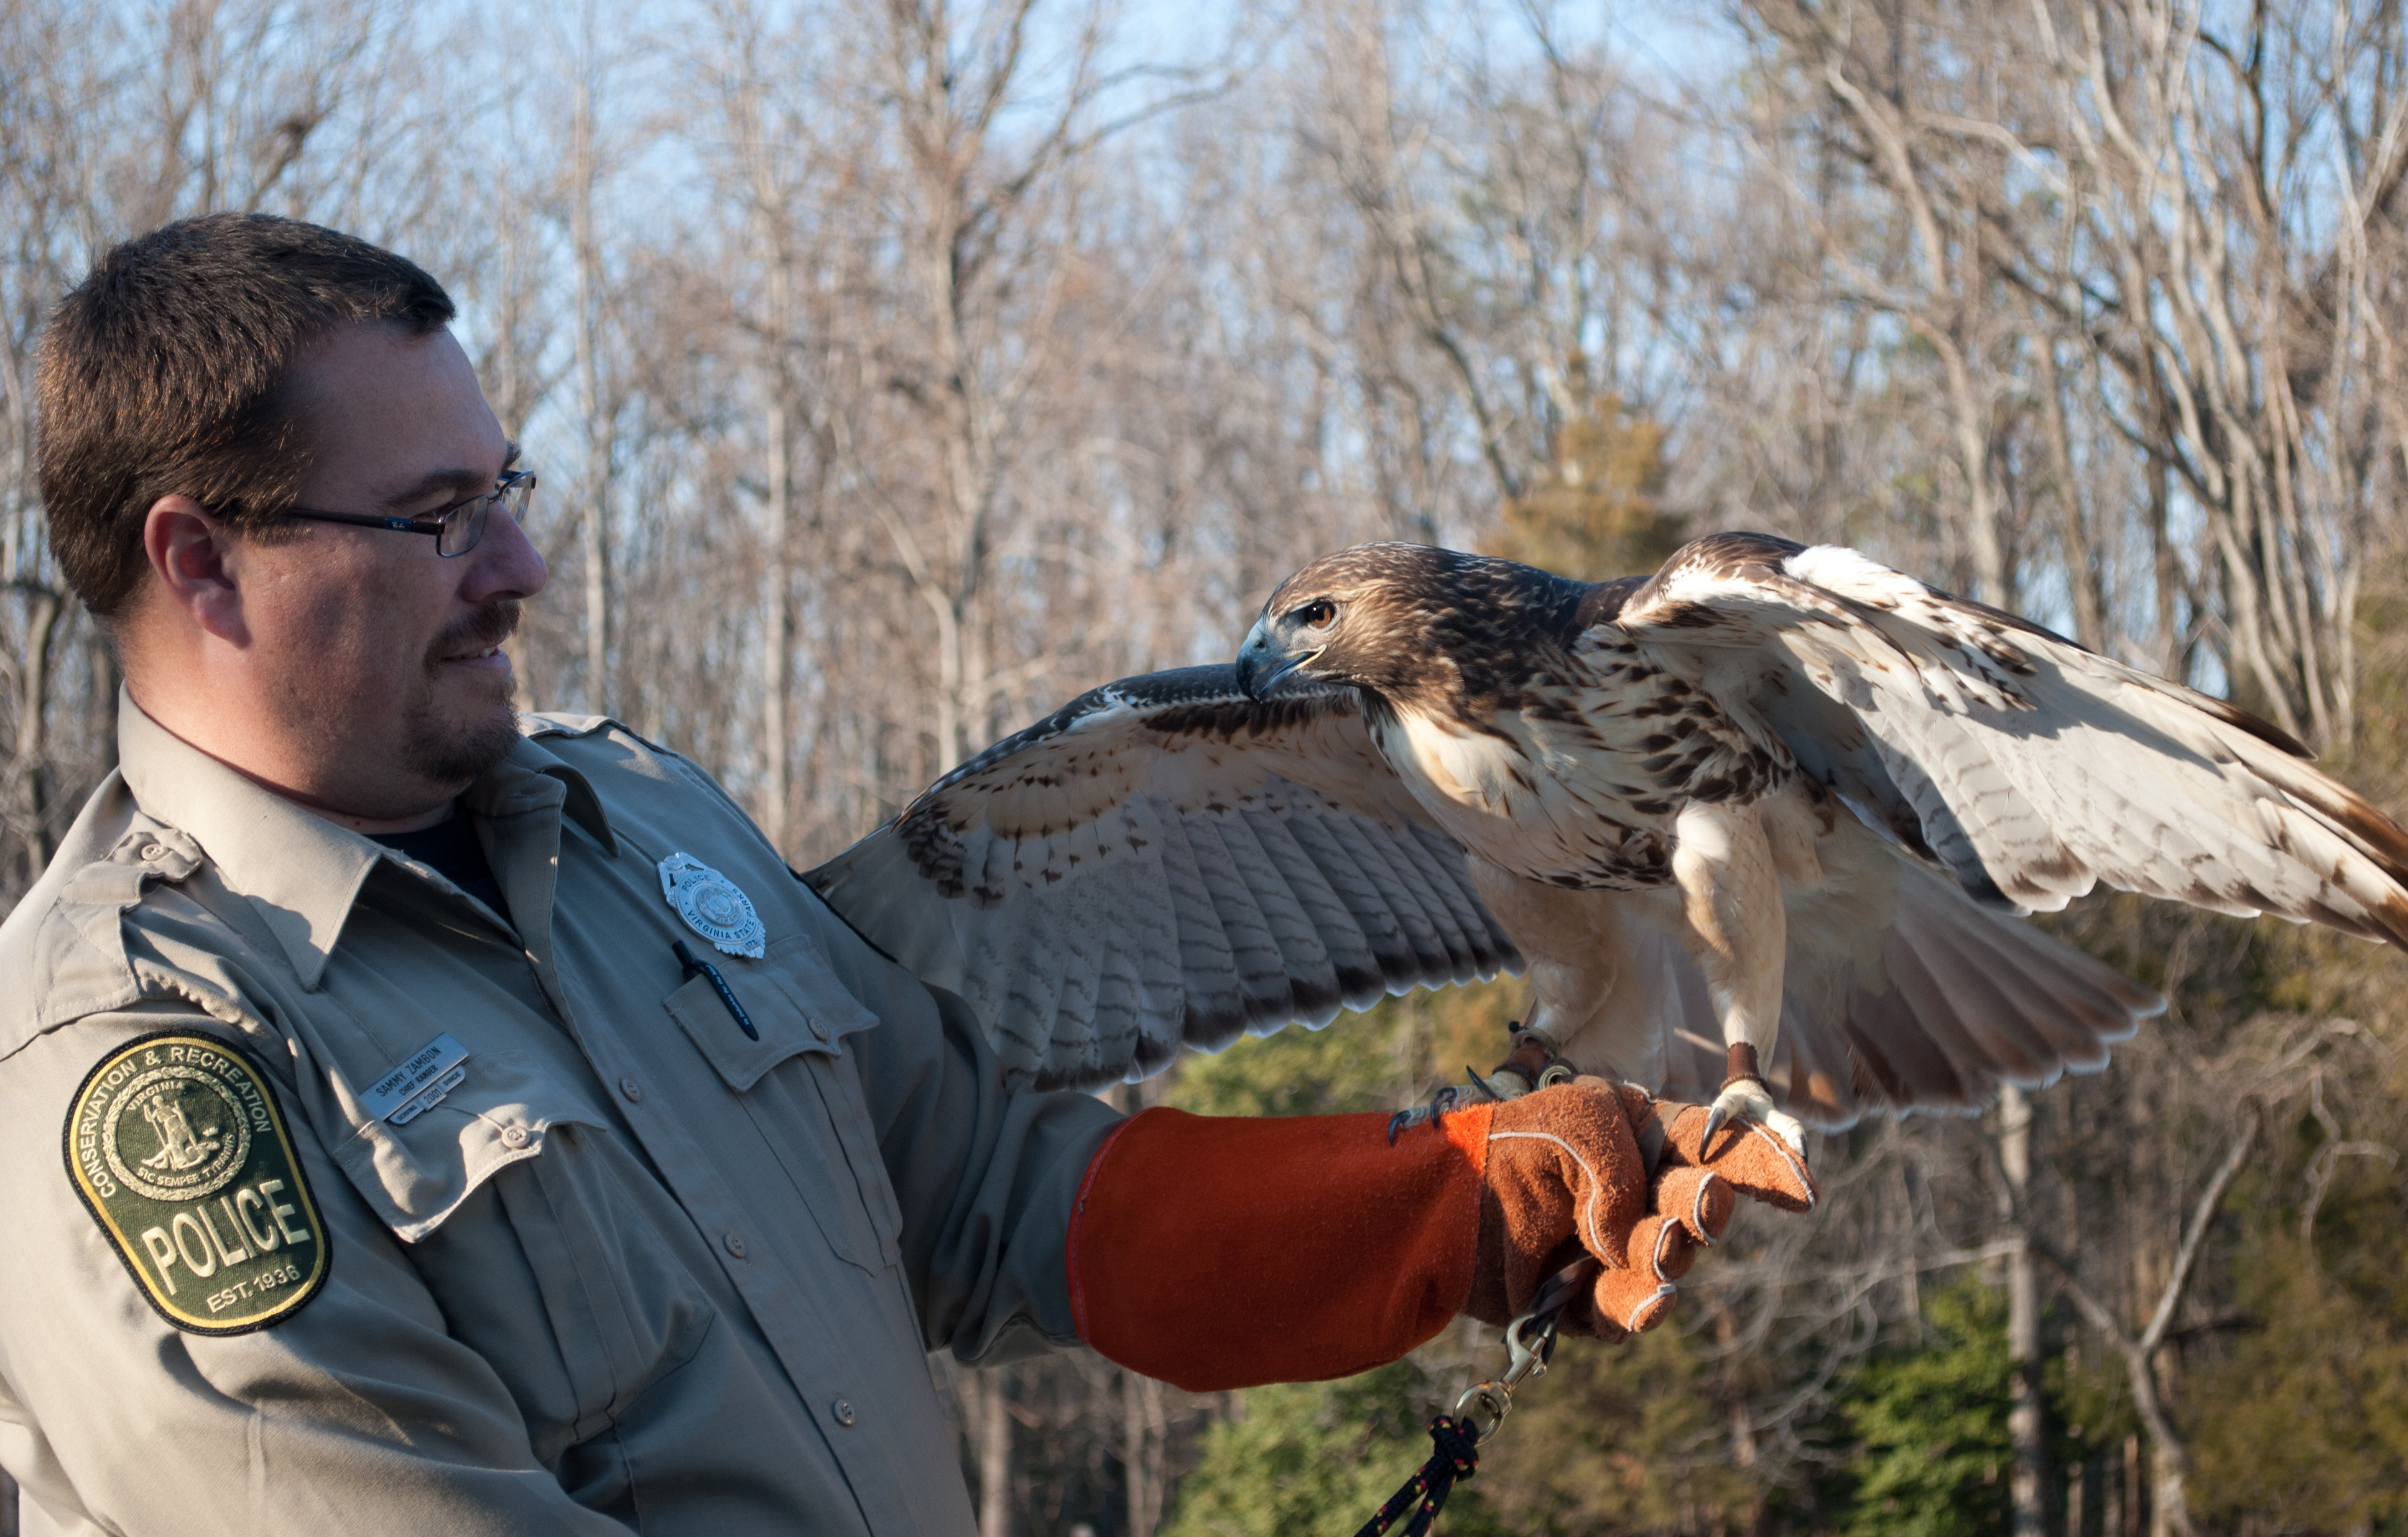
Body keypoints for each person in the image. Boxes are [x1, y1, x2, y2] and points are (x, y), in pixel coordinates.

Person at [0, 214, 1812, 1535]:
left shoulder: (641, 834)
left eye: (507, 487)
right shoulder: (134, 1074)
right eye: (435, 517)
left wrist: (1449, 1204)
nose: (522, 562)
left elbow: (991, 1198)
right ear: (205, 566)